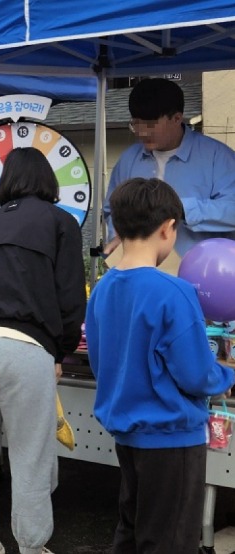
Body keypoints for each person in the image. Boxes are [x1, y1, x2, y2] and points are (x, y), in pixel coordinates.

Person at [86, 177, 235, 553]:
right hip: (172, 438)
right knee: (170, 540)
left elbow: (98, 360)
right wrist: (227, 374)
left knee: (132, 532)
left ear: (118, 227)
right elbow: (197, 374)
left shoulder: (103, 287)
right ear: (169, 227)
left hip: (127, 435)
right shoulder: (174, 291)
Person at [0, 147, 85, 554]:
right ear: (48, 179)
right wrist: (60, 353)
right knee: (30, 456)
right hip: (24, 344)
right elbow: (69, 297)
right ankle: (30, 547)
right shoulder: (61, 222)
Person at [103, 78, 235, 259]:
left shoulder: (218, 158)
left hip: (200, 274)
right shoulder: (128, 160)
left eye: (150, 124)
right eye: (136, 124)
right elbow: (111, 210)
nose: (142, 132)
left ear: (177, 118)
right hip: (141, 272)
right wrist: (118, 237)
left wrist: (182, 208)